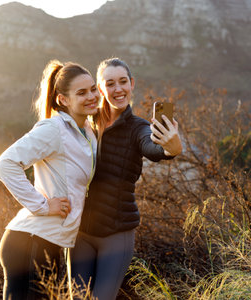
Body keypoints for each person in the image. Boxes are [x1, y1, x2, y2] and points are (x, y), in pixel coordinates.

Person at [71, 57, 183, 300]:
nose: (117, 89)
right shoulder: (86, 122)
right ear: (100, 89)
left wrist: (171, 147)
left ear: (132, 84)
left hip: (116, 234)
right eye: (109, 83)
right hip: (81, 233)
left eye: (123, 82)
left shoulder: (138, 128)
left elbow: (152, 147)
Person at [0, 60, 99, 300]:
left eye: (93, 89)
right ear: (63, 99)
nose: (91, 96)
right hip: (30, 242)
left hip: (47, 241)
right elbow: (5, 164)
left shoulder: (88, 133)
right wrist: (42, 206)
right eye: (81, 92)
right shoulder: (54, 129)